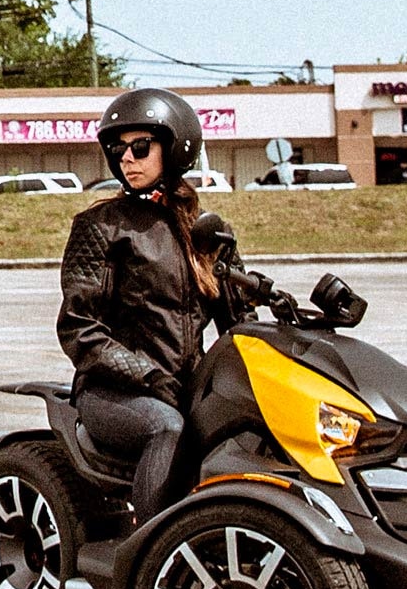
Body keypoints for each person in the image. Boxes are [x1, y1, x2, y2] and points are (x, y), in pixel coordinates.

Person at [55, 87, 284, 535]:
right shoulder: (100, 227)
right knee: (167, 427)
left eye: (141, 147)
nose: (127, 159)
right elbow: (79, 328)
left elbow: (238, 322)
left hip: (184, 386)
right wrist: (147, 376)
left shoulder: (205, 229)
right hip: (113, 391)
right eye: (118, 150)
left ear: (175, 148)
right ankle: (150, 550)